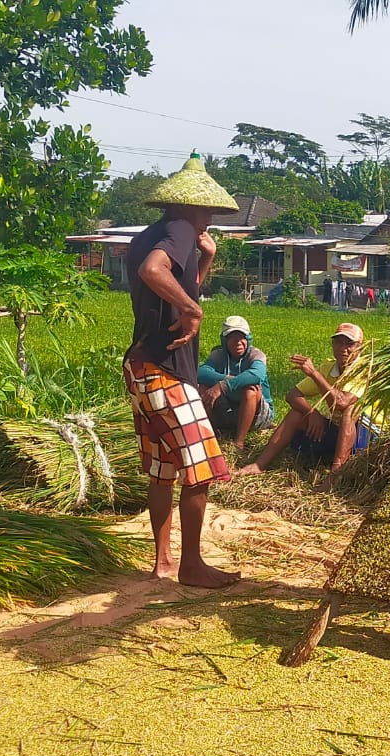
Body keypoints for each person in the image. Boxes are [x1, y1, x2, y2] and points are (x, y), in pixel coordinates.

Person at [122, 152, 242, 590]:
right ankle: (191, 564)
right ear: (188, 206)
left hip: (140, 367)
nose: (210, 216)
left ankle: (163, 561)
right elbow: (154, 272)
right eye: (207, 209)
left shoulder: (154, 234)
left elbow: (172, 290)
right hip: (166, 371)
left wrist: (203, 265)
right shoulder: (178, 230)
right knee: (204, 468)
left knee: (163, 470)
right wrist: (194, 311)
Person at [237, 322, 377, 480]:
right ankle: (259, 464)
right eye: (339, 342)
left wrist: (315, 374)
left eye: (350, 344)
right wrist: (312, 412)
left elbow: (342, 402)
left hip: (366, 435)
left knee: (350, 411)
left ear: (360, 347)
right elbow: (292, 395)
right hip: (339, 430)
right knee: (297, 413)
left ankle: (335, 475)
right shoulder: (329, 368)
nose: (343, 348)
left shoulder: (365, 369)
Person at [197, 315, 274, 452]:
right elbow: (201, 373)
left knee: (251, 389)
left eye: (242, 337)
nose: (238, 342)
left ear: (248, 339)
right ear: (224, 340)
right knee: (203, 387)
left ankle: (239, 442)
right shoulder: (218, 355)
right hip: (228, 410)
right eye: (232, 337)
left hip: (259, 416)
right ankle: (207, 434)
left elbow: (256, 375)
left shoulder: (257, 355)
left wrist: (223, 385)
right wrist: (230, 380)